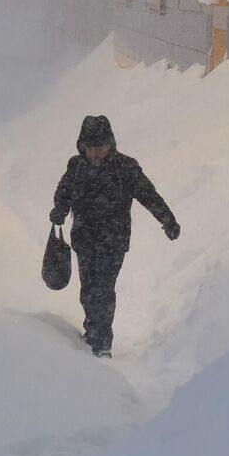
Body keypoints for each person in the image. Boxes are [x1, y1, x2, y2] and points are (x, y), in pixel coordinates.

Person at [48, 115, 178, 357]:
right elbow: (63, 192)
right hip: (84, 239)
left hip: (113, 241)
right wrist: (59, 210)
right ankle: (92, 333)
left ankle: (102, 342)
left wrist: (167, 219)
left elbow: (148, 195)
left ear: (111, 145)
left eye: (102, 148)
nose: (97, 154)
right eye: (92, 149)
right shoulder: (76, 166)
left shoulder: (125, 168)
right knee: (88, 288)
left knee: (104, 288)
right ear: (83, 147)